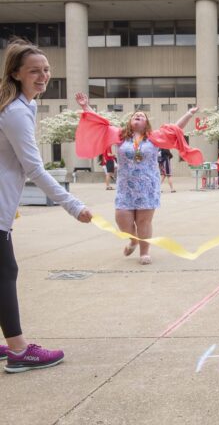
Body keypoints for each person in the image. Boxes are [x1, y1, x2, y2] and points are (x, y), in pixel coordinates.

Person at [0, 39, 93, 373]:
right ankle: (19, 350)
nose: (43, 76)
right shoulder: (15, 113)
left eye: (46, 70)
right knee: (5, 273)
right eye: (34, 71)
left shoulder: (25, 106)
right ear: (16, 73)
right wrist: (71, 204)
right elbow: (34, 168)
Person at [74, 92, 202, 265]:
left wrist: (189, 113)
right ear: (130, 122)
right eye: (135, 115)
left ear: (146, 123)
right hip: (125, 187)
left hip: (147, 186)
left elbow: (176, 129)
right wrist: (85, 106)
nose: (138, 116)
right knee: (122, 221)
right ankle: (133, 240)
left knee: (143, 221)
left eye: (141, 116)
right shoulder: (119, 136)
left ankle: (144, 251)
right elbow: (99, 123)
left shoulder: (154, 138)